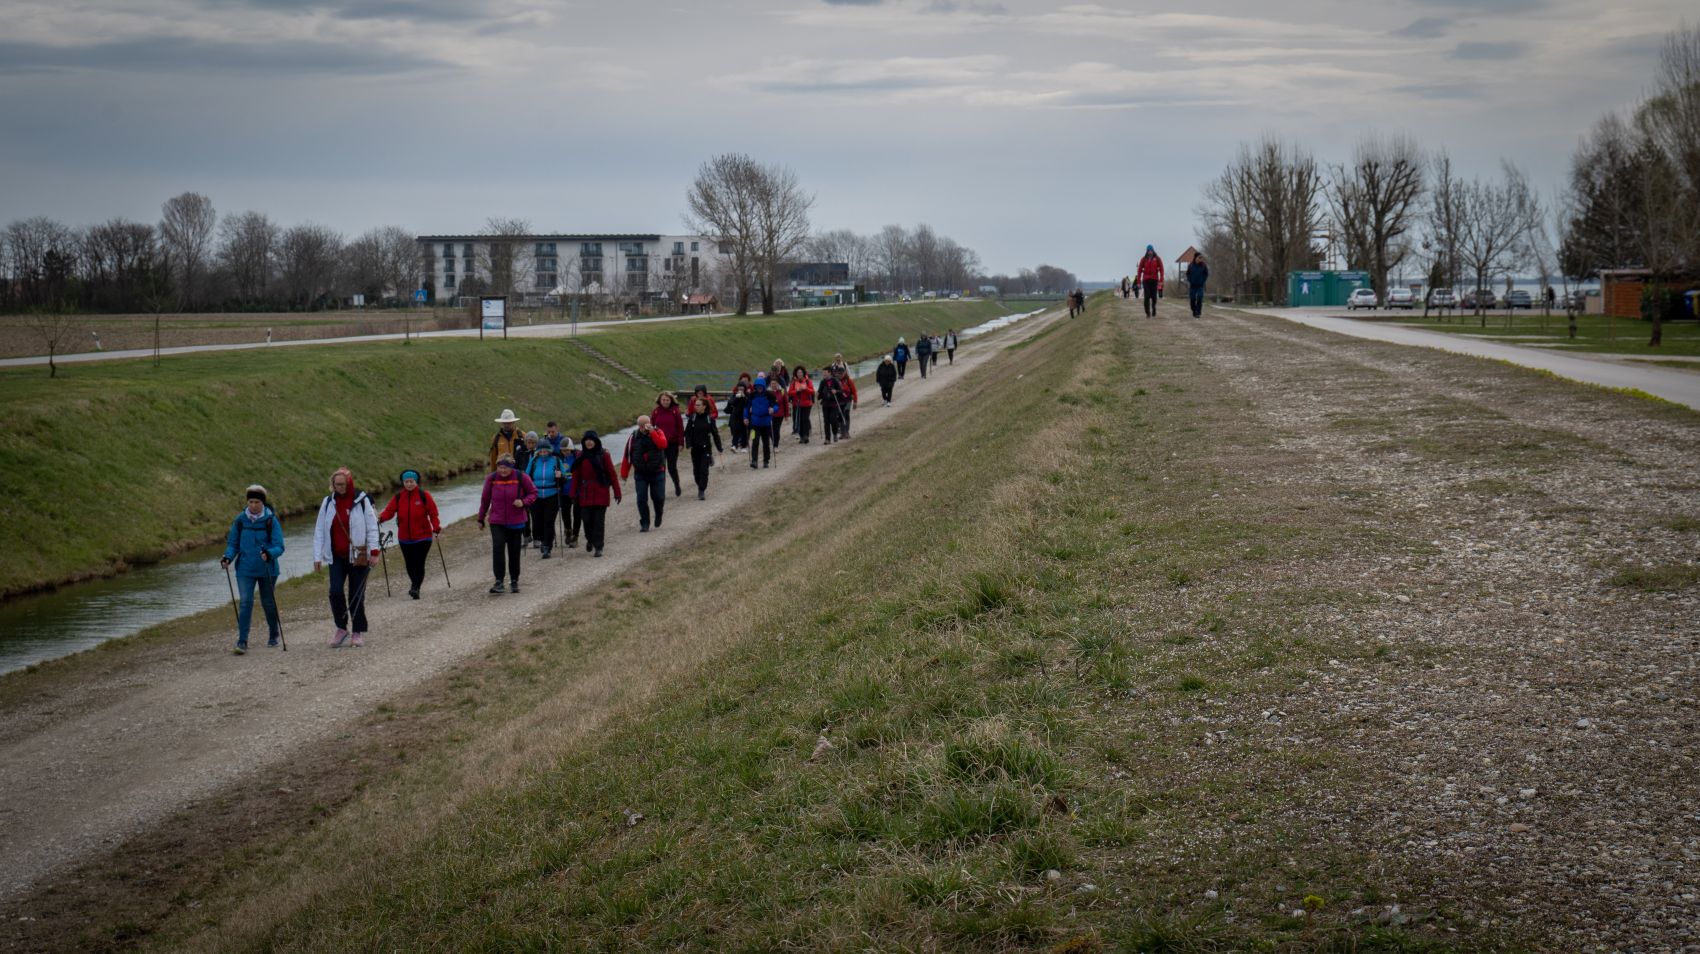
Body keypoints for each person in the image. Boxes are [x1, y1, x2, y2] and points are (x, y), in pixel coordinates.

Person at [312, 467, 380, 648]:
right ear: (332, 485)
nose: (340, 487)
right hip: (335, 556)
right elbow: (319, 529)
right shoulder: (328, 502)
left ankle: (357, 632)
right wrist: (317, 556)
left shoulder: (362, 500)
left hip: (358, 556)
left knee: (356, 595)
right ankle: (341, 628)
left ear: (349, 483)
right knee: (335, 592)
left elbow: (372, 526)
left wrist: (374, 552)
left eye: (343, 484)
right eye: (337, 484)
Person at [221, 484, 284, 654]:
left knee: (268, 602)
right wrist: (228, 557)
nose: (253, 505)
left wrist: (269, 554)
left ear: (263, 502)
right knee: (245, 602)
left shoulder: (271, 520)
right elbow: (233, 544)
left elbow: (279, 546)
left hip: (267, 568)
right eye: (251, 502)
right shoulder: (240, 520)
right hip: (245, 569)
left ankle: (273, 634)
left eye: (257, 502)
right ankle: (242, 641)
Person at [477, 454, 536, 593]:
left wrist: (523, 502)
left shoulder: (521, 477)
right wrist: (481, 518)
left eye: (505, 468)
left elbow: (533, 493)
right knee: (498, 548)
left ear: (512, 467)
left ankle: (514, 580)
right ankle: (499, 581)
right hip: (497, 520)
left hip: (516, 521)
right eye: (500, 467)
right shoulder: (492, 478)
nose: (502, 470)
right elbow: (485, 499)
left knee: (514, 551)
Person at [378, 469, 442, 598]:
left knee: (418, 562)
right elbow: (389, 511)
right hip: (404, 538)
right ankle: (415, 584)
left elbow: (433, 513)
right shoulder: (398, 497)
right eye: (406, 482)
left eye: (411, 481)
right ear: (403, 482)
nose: (409, 484)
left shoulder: (424, 496)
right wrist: (380, 519)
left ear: (416, 481)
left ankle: (415, 587)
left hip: (423, 537)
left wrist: (436, 527)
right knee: (409, 564)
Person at [569, 431, 620, 557]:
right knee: (586, 520)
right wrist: (572, 493)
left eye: (591, 440)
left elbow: (612, 474)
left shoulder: (604, 455)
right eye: (587, 440)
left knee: (598, 521)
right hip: (585, 493)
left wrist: (617, 491)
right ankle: (590, 539)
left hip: (601, 491)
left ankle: (598, 546)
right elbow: (576, 476)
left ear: (596, 441)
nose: (589, 442)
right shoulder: (581, 456)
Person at [621, 414, 670, 531]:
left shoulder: (658, 432)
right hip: (640, 474)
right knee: (641, 499)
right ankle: (645, 523)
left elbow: (663, 444)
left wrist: (652, 432)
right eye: (641, 426)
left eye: (646, 425)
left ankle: (659, 514)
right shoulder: (633, 437)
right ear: (638, 426)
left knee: (658, 498)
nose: (644, 428)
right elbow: (627, 455)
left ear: (650, 423)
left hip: (657, 472)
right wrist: (624, 473)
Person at [525, 443, 566, 557]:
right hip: (535, 495)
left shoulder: (556, 460)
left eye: (545, 451)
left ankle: (547, 545)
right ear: (538, 452)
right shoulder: (533, 461)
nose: (543, 453)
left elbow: (565, 477)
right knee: (537, 520)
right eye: (541, 451)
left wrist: (560, 476)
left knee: (549, 521)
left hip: (552, 494)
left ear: (549, 451)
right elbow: (527, 477)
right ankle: (542, 540)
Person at [683, 395, 722, 499]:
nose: (696, 407)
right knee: (696, 471)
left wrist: (719, 448)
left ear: (704, 406)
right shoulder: (693, 418)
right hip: (695, 449)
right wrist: (689, 444)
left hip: (706, 449)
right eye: (695, 405)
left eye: (698, 405)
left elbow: (715, 434)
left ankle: (701, 490)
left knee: (704, 471)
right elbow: (687, 432)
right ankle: (699, 485)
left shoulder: (710, 419)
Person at [651, 391, 686, 497]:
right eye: (663, 400)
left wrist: (681, 443)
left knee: (672, 467)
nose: (665, 402)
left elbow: (680, 428)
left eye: (667, 400)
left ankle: (677, 484)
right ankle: (661, 490)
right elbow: (651, 428)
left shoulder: (675, 411)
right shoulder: (656, 412)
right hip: (659, 445)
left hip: (672, 444)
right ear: (660, 400)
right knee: (661, 468)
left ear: (671, 401)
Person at [746, 374, 778, 467]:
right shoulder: (752, 395)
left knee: (766, 443)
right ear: (755, 387)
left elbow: (776, 406)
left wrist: (773, 409)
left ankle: (766, 461)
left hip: (766, 423)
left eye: (761, 387)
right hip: (754, 423)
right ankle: (754, 461)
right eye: (757, 387)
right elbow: (746, 408)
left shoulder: (770, 395)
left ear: (764, 387)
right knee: (754, 442)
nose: (759, 388)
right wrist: (745, 417)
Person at [818, 366, 849, 442]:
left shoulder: (835, 380)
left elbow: (841, 391)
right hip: (825, 404)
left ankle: (835, 434)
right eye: (823, 373)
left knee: (833, 420)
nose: (823, 374)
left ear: (829, 373)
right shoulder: (822, 382)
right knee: (826, 421)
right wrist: (818, 395)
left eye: (825, 372)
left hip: (834, 404)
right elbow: (820, 393)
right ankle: (827, 439)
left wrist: (836, 391)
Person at [788, 364, 815, 444]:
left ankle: (806, 435)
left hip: (807, 404)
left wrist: (805, 388)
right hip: (797, 404)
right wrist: (797, 391)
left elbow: (812, 391)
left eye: (801, 372)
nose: (799, 374)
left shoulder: (808, 381)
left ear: (803, 373)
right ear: (796, 374)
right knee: (799, 420)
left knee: (805, 419)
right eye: (798, 372)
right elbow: (789, 393)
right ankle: (801, 436)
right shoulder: (793, 382)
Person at [725, 376, 753, 451]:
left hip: (744, 414)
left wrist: (744, 397)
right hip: (735, 415)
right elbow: (731, 402)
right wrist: (736, 397)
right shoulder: (735, 395)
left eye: (742, 389)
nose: (741, 390)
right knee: (735, 429)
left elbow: (748, 403)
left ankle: (744, 446)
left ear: (745, 389)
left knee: (744, 430)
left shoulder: (747, 395)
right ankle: (734, 445)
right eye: (739, 389)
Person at [1136, 245, 1164, 317]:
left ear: (1153, 250)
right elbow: (1139, 271)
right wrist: (1138, 282)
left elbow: (1161, 269)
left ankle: (1154, 308)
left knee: (1154, 297)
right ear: (1147, 251)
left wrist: (1161, 280)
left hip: (1154, 280)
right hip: (1146, 280)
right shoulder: (1143, 259)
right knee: (1147, 297)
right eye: (1149, 251)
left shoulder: (1157, 258)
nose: (1150, 252)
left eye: (1151, 250)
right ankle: (1147, 312)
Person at [834, 365, 858, 438]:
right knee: (840, 416)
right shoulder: (835, 381)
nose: (840, 375)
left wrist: (855, 402)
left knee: (846, 414)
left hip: (848, 400)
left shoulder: (849, 380)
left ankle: (847, 432)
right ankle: (842, 433)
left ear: (844, 373)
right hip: (839, 401)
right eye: (839, 374)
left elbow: (854, 391)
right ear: (837, 373)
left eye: (842, 373)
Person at [766, 376, 789, 452]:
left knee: (776, 429)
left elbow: (786, 403)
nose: (773, 385)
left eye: (775, 383)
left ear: (778, 384)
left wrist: (786, 415)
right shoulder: (767, 392)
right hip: (770, 414)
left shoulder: (782, 391)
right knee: (770, 430)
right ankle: (773, 441)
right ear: (770, 384)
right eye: (772, 383)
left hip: (780, 414)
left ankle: (776, 445)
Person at [1185, 253, 1209, 318]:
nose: (1201, 259)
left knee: (1200, 297)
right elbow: (1187, 274)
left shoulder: (1203, 265)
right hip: (1193, 285)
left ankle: (1198, 312)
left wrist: (1203, 280)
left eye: (1201, 258)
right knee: (1192, 299)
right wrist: (1190, 280)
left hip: (1200, 285)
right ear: (1195, 258)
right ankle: (1194, 310)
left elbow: (1206, 274)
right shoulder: (1191, 265)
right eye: (1199, 257)